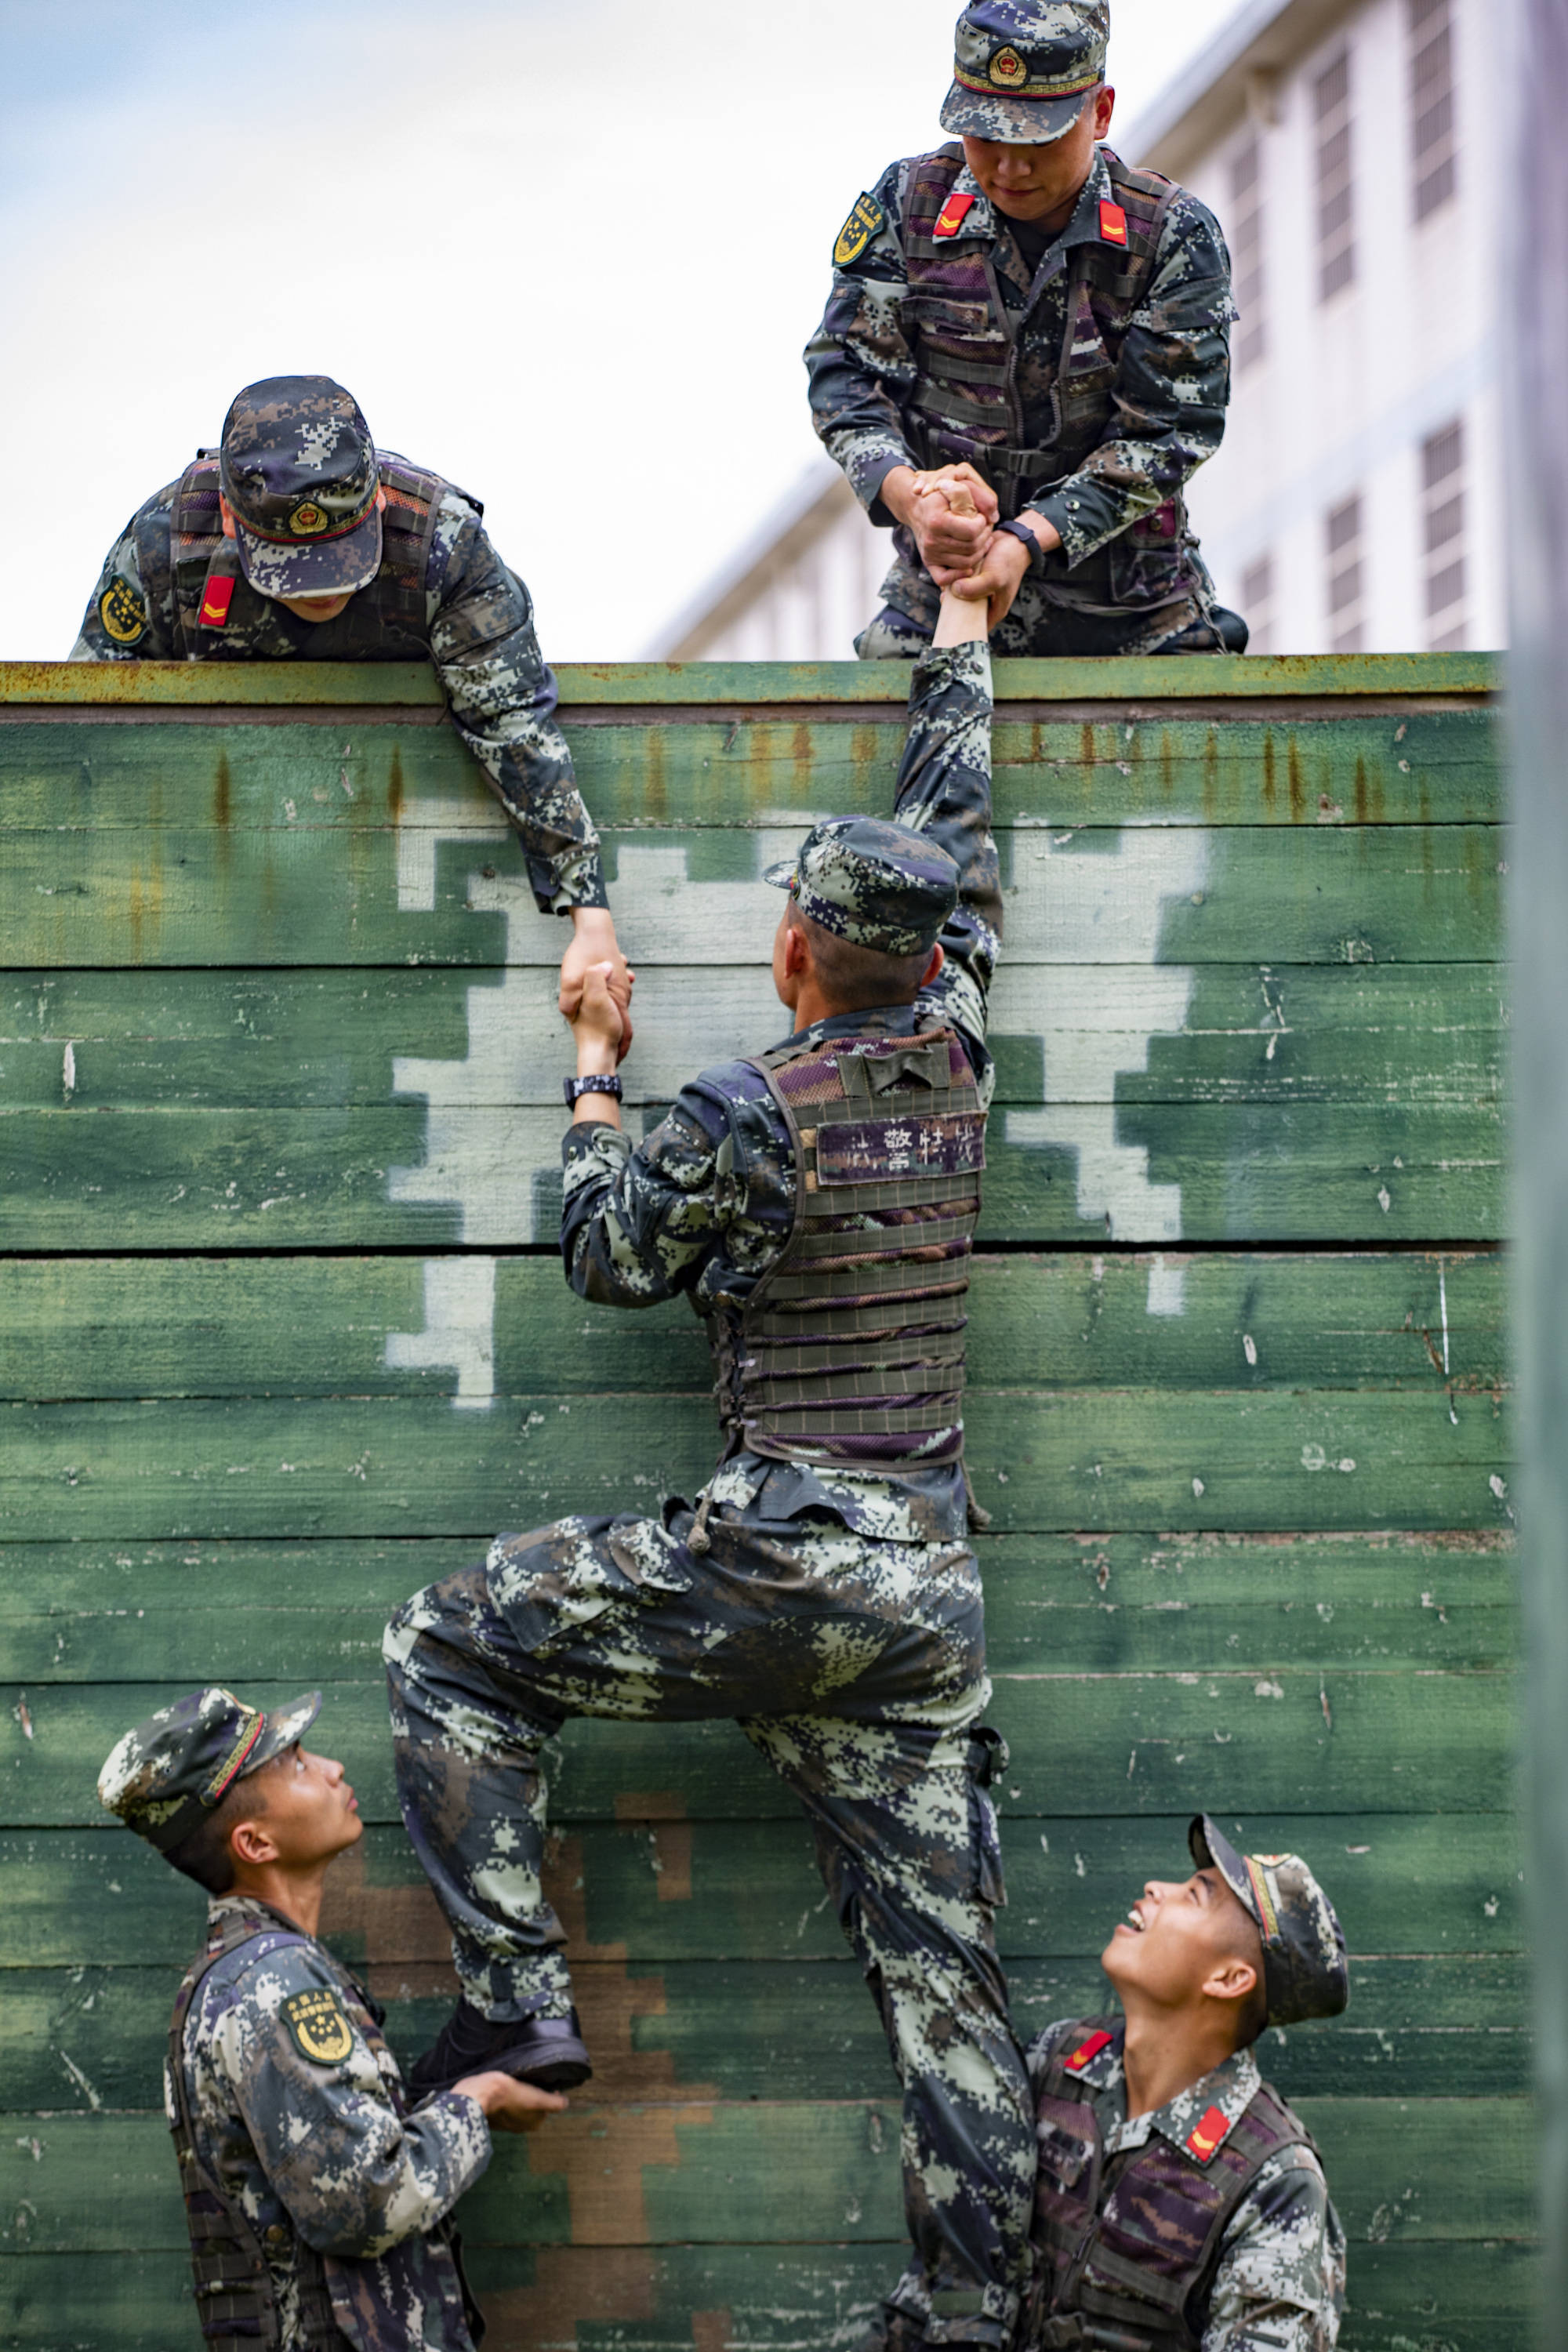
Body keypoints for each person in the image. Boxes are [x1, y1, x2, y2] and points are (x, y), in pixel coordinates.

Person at [383, 579, 1036, 2352]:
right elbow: (954, 841)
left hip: (777, 1562)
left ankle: (515, 2005)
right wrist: (960, 643)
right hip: (922, 1591)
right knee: (947, 1987)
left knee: (446, 1645)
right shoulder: (960, 1048)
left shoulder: (751, 1106)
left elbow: (606, 1256)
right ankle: (977, 2316)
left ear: (792, 954)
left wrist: (595, 1071)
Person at [71, 374, 630, 1017]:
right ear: (230, 515)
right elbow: (95, 733)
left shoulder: (440, 544)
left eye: (339, 557)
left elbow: (511, 722)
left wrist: (589, 915)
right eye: (292, 564)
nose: (319, 592)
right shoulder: (165, 545)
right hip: (208, 894)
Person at [96, 1684, 566, 2351]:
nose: (331, 1769)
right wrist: (479, 2100)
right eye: (295, 1765)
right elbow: (364, 2200)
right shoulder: (274, 1981)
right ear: (255, 1842)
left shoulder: (247, 1974)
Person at [805, 1, 1246, 659]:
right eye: (987, 137)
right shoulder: (908, 208)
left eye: (1037, 140)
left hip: (1133, 612)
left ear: (1099, 113)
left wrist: (1026, 537)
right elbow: (846, 378)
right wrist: (916, 498)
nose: (1010, 169)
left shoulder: (1170, 238)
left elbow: (1169, 432)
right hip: (942, 595)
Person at [1022, 1816, 1349, 2351]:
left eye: (1196, 1896)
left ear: (1228, 1979)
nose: (1156, 1888)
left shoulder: (1275, 2183)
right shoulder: (1056, 2060)